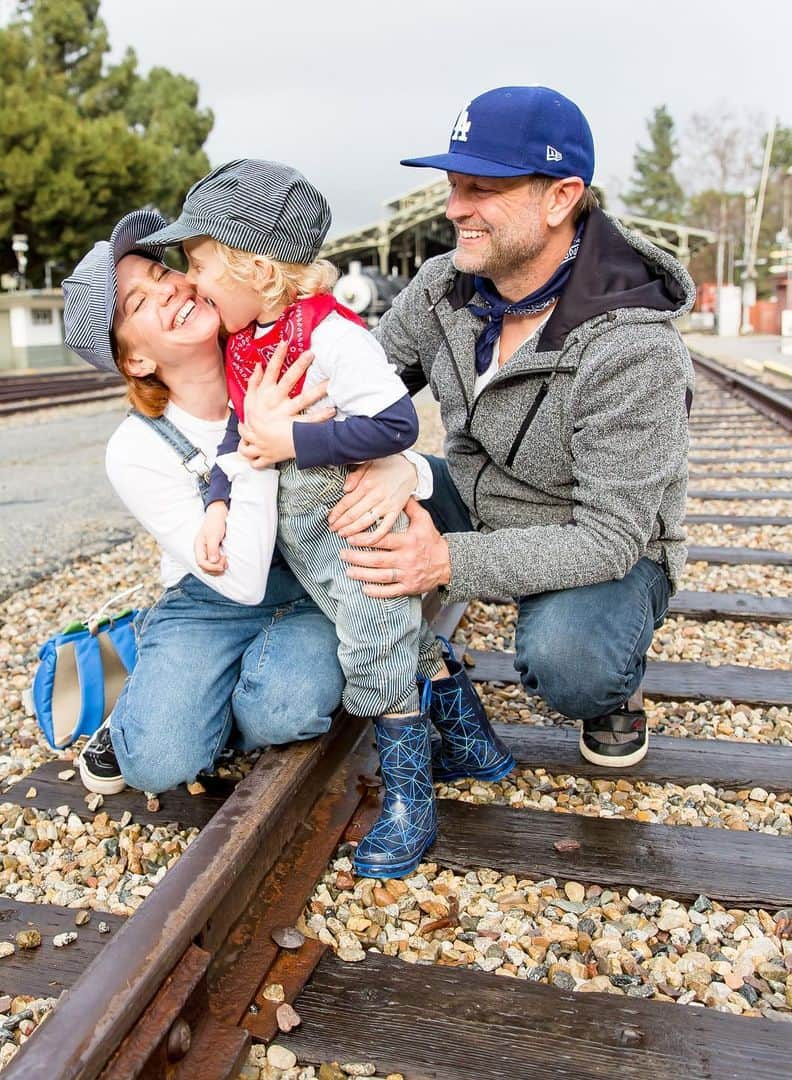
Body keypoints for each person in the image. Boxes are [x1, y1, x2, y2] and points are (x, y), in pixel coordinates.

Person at [316, 86, 695, 768]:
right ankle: (311, 638)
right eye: (454, 185)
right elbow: (356, 388)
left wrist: (445, 563)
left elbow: (608, 537)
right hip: (473, 496)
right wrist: (388, 458)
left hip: (595, 539)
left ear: (560, 197)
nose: (455, 208)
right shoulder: (442, 288)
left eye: (483, 188)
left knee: (569, 662)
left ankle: (615, 687)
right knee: (326, 474)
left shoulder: (635, 347)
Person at [141, 160, 488, 878]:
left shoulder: (331, 334)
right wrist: (215, 500)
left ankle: (408, 805)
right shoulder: (247, 341)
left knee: (378, 654)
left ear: (256, 269)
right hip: (310, 548)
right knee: (398, 639)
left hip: (356, 528)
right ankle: (475, 745)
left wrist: (298, 442)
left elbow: (394, 421)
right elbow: (240, 436)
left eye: (199, 263)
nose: (192, 282)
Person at [58, 208, 350, 798]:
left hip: (313, 582)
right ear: (136, 360)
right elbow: (239, 581)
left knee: (285, 714)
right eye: (139, 304)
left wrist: (401, 469)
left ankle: (204, 694)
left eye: (162, 273)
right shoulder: (137, 448)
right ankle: (153, 691)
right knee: (157, 765)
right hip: (212, 597)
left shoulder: (292, 344)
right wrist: (259, 444)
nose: (168, 290)